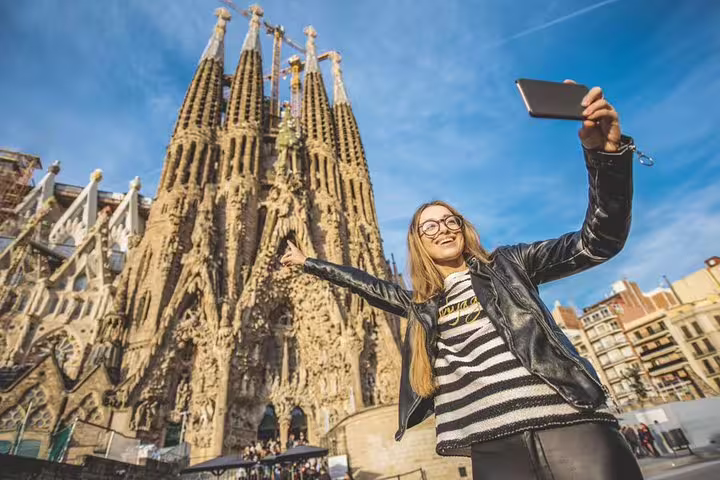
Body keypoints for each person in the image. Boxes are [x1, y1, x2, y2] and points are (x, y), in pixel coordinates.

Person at [281, 83, 641, 479]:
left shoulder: (510, 265)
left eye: (449, 220)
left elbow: (597, 242)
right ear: (418, 242)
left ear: (463, 227)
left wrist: (605, 157)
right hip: (491, 443)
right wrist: (308, 262)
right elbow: (366, 284)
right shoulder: (422, 304)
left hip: (568, 424)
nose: (441, 230)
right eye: (428, 226)